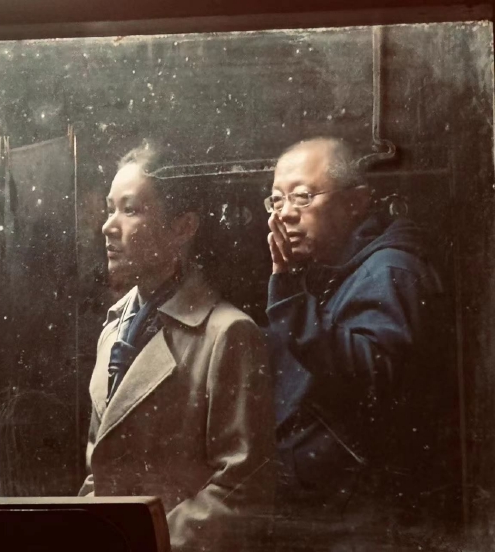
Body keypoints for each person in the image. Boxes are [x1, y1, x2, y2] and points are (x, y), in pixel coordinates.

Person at [264, 137, 460, 545]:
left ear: (356, 202)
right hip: (330, 508)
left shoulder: (390, 270)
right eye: (276, 200)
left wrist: (287, 292)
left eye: (302, 197)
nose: (285, 213)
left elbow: (370, 376)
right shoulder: (336, 270)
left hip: (365, 520)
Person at [79, 143, 274, 552]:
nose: (108, 226)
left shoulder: (228, 334)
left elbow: (241, 490)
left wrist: (142, 541)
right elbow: (100, 472)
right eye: (110, 209)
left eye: (131, 210)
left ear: (183, 228)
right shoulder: (113, 330)